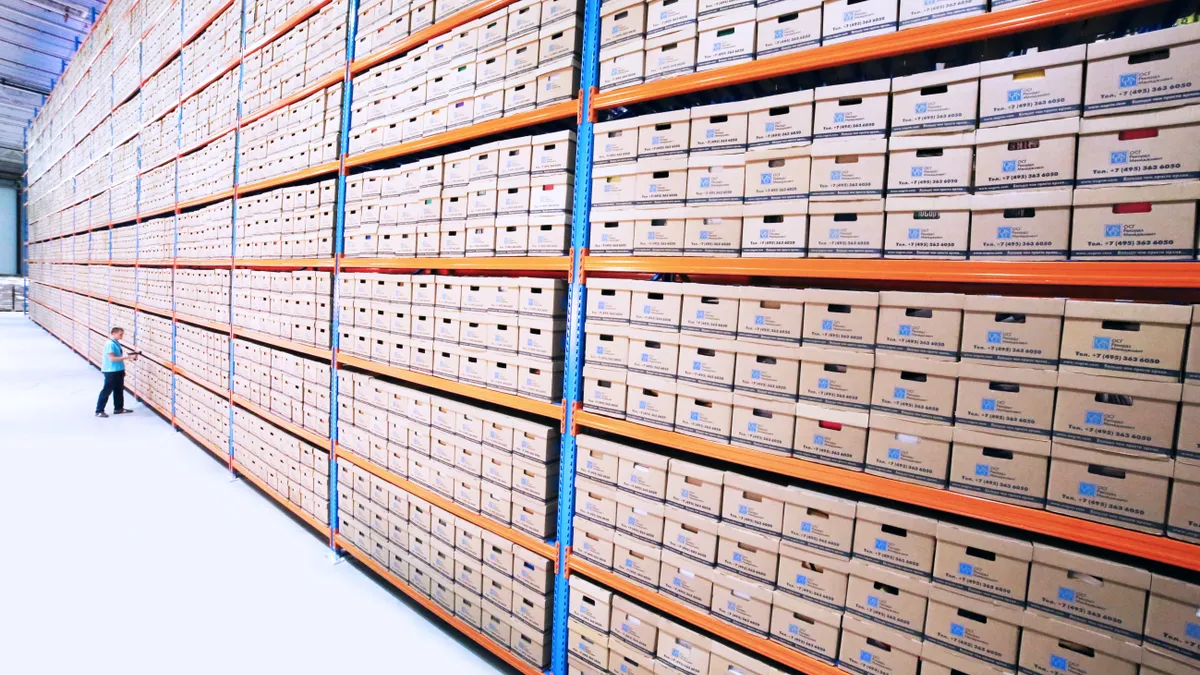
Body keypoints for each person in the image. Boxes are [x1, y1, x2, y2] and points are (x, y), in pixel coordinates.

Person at [96, 327, 138, 418]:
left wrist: (129, 356)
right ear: (113, 333)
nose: (122, 336)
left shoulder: (116, 343)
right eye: (120, 334)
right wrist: (127, 358)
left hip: (118, 370)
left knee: (118, 390)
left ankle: (119, 408)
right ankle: (99, 410)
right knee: (107, 390)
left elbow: (118, 355)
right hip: (111, 371)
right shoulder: (110, 344)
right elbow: (112, 359)